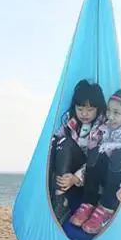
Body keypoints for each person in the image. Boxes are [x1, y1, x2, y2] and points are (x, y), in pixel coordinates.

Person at [69, 89, 121, 235]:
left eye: (116, 113)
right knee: (95, 150)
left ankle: (106, 210)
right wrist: (78, 177)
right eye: (109, 111)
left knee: (119, 153)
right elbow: (91, 161)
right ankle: (88, 203)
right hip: (102, 178)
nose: (110, 116)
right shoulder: (102, 130)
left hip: (118, 185)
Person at [49, 79, 107, 221]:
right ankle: (59, 199)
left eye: (90, 110)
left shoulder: (103, 129)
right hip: (68, 176)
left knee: (96, 153)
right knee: (60, 142)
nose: (84, 114)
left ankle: (61, 198)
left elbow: (98, 161)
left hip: (90, 179)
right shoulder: (70, 123)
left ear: (98, 109)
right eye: (80, 109)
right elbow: (58, 141)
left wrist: (76, 178)